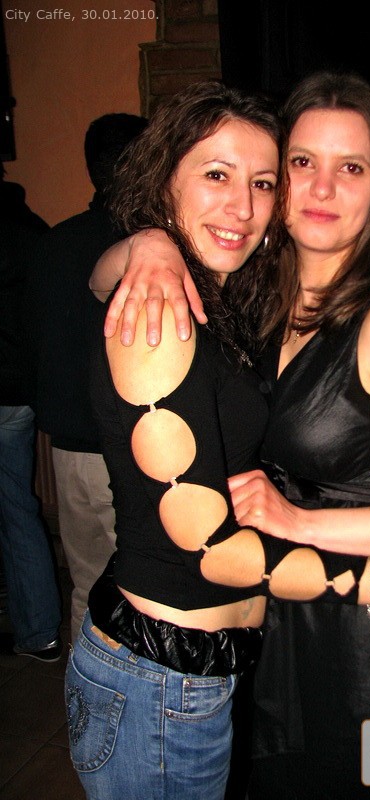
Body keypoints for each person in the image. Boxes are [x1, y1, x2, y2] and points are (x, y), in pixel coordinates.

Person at [92, 71, 370, 798]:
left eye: (353, 168)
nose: (322, 188)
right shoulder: (255, 300)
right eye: (302, 163)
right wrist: (150, 243)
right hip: (282, 620)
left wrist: (302, 521)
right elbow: (100, 283)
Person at [24, 113, 147, 644]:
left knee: (87, 586)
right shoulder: (147, 248)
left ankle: (84, 688)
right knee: (142, 594)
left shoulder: (54, 242)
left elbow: (33, 339)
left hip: (66, 446)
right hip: (123, 449)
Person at [0, 166, 63, 662]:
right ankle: (34, 621)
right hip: (22, 393)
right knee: (17, 507)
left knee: (15, 509)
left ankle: (37, 626)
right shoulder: (35, 231)